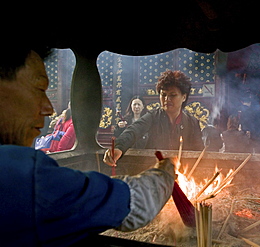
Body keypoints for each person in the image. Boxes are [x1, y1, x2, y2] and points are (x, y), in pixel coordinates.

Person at [0, 44, 175, 246]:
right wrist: (164, 173)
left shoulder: (191, 120)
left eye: (173, 95)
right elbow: (135, 201)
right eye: (39, 89)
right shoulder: (19, 175)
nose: (48, 108)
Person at [104, 70, 204, 166]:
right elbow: (134, 130)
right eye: (163, 95)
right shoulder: (153, 117)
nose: (167, 99)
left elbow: (199, 151)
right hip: (155, 170)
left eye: (172, 95)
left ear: (184, 97)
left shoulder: (192, 122)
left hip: (183, 173)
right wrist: (119, 147)